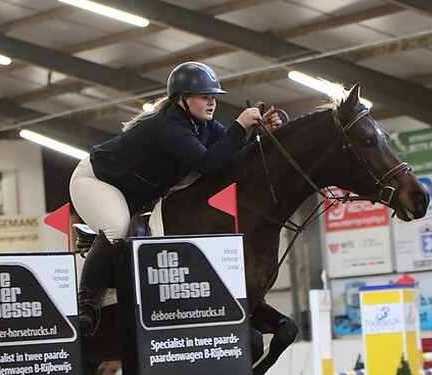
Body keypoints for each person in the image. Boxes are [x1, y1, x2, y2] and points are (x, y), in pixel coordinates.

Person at [70, 61, 282, 338]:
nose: (211, 102)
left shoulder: (202, 125)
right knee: (118, 229)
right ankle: (85, 303)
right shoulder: (169, 125)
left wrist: (259, 134)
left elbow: (231, 154)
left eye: (213, 97)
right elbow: (208, 164)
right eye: (204, 96)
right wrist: (241, 126)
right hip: (96, 181)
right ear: (182, 99)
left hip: (134, 191)